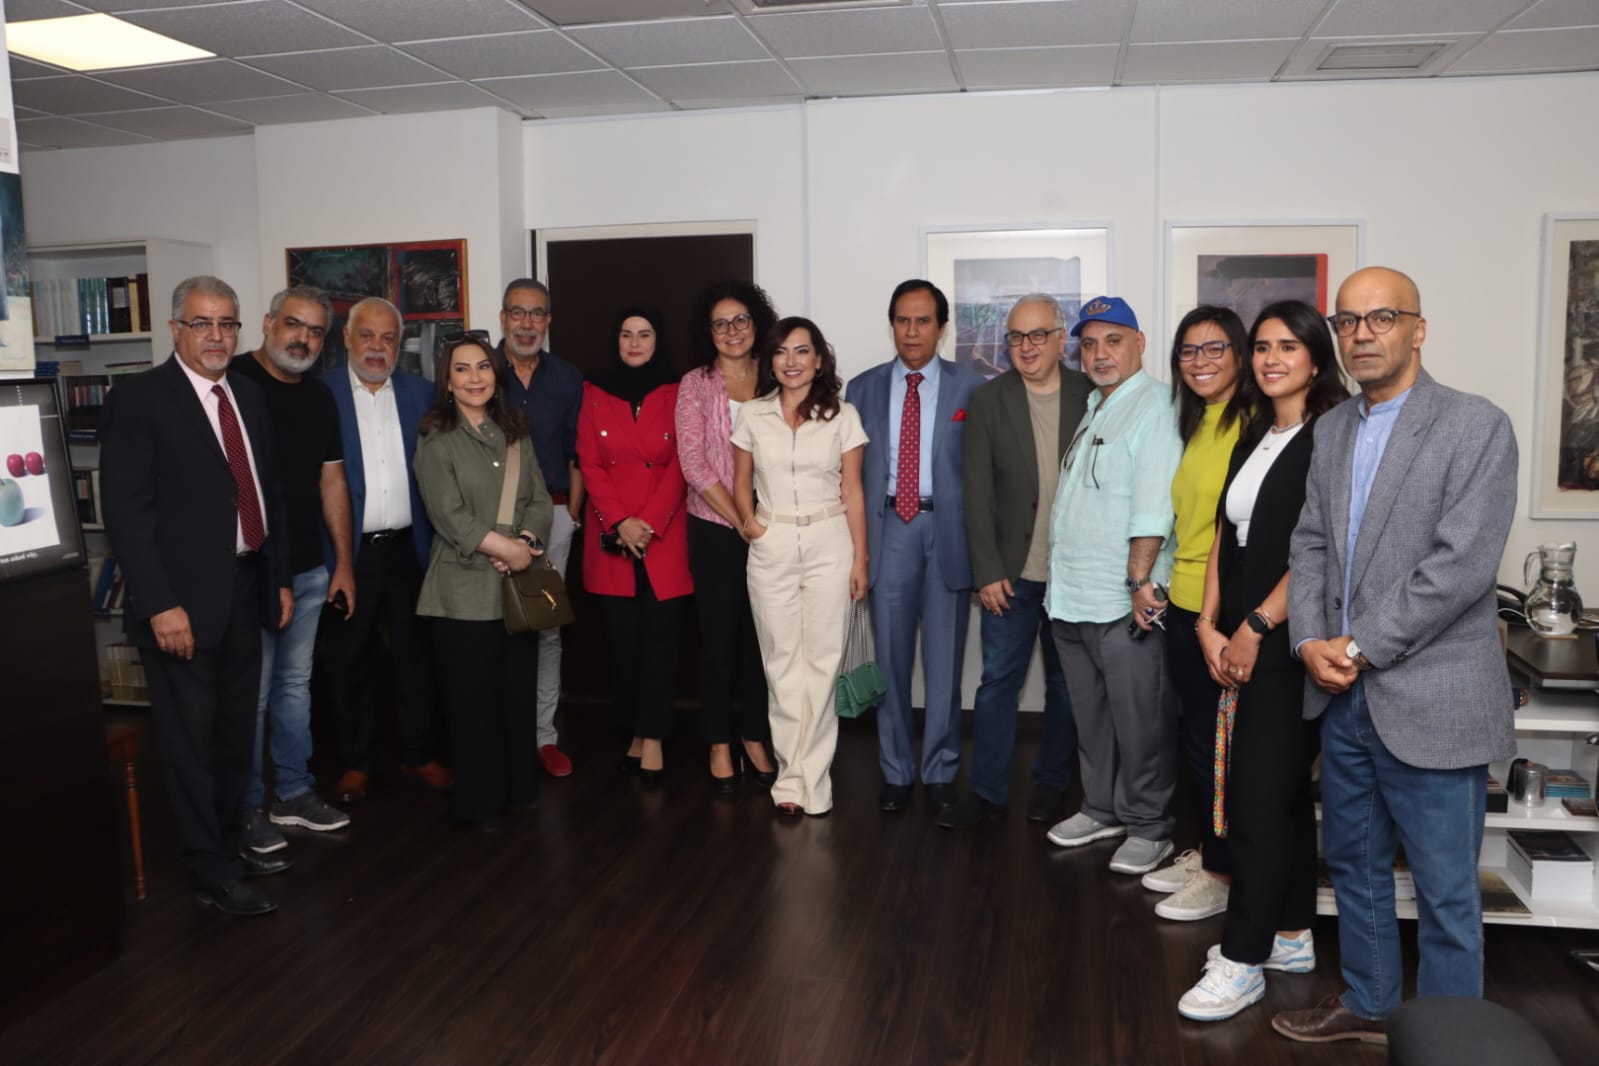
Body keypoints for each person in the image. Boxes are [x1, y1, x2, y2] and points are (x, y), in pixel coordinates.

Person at [1273, 268, 1519, 1045]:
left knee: (1445, 892)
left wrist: (1355, 645)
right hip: (1341, 695)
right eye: (1346, 321)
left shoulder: (1475, 425)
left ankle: (1449, 1042)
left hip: (1431, 696)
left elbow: (1460, 567)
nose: (1360, 334)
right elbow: (1309, 545)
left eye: (1380, 317)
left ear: (1418, 328)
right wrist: (1308, 641)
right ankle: (1370, 1004)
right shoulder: (1331, 430)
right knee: (1353, 865)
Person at [100, 275, 293, 916]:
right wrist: (159, 603)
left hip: (245, 587)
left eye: (227, 324)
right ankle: (210, 870)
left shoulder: (248, 395)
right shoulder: (139, 399)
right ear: (175, 329)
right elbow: (126, 513)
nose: (216, 336)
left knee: (237, 734)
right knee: (191, 743)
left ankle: (230, 843)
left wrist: (279, 578)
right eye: (202, 323)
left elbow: (268, 493)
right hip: (179, 604)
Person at [1177, 300, 1349, 1021]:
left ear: (1316, 357)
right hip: (1238, 632)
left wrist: (1254, 626)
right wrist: (1207, 624)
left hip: (1288, 640)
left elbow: (1319, 550)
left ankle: (1242, 959)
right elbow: (1227, 534)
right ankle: (1291, 934)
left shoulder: (1330, 436)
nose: (1271, 359)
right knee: (1276, 797)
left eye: (1288, 346)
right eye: (1262, 347)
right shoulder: (1257, 431)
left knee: (1253, 800)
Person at [1044, 296, 1184, 876]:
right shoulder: (1097, 405)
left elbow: (1153, 505)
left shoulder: (1157, 406)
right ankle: (1102, 807)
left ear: (1140, 344)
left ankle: (1149, 826)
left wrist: (1139, 582)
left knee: (1140, 720)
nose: (1100, 354)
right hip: (1072, 597)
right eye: (1090, 344)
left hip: (1124, 602)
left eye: (1114, 341)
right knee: (1093, 719)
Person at [938, 294, 1090, 830]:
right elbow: (976, 493)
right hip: (1011, 574)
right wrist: (986, 570)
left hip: (1074, 575)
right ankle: (987, 792)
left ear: (1060, 339)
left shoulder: (1092, 394)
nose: (1026, 347)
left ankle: (1052, 784)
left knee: (1066, 687)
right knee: (997, 684)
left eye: (1037, 335)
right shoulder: (988, 400)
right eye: (1016, 337)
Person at [846, 279, 983, 814]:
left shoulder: (971, 387)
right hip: (888, 532)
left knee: (945, 664)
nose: (912, 331)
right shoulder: (862, 388)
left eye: (923, 321)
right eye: (903, 320)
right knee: (891, 661)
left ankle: (941, 770)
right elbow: (848, 476)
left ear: (941, 328)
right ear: (892, 325)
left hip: (948, 531)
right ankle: (897, 771)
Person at [232, 285, 356, 855]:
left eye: (314, 331)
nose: (302, 338)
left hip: (309, 569)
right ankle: (246, 808)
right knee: (252, 694)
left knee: (294, 687)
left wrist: (343, 564)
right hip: (251, 571)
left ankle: (293, 793)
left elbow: (332, 481)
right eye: (293, 324)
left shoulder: (319, 397)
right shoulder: (232, 384)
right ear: (267, 323)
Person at [414, 333, 553, 831]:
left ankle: (519, 790)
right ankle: (480, 803)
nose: (475, 378)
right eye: (462, 369)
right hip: (462, 592)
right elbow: (448, 516)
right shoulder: (436, 437)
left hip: (517, 590)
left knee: (516, 696)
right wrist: (506, 549)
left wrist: (527, 542)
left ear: (496, 375)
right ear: (447, 383)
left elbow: (539, 499)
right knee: (473, 705)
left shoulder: (514, 431)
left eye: (483, 367)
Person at [733, 316, 869, 816]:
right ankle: (790, 779)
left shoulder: (843, 416)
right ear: (770, 361)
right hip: (771, 544)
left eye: (802, 351)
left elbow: (853, 490)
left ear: (819, 359)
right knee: (781, 664)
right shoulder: (752, 414)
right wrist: (750, 524)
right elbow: (740, 480)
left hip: (829, 541)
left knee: (822, 664)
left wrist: (861, 558)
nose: (791, 361)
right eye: (781, 351)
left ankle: (816, 778)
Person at [1144, 306, 1250, 920]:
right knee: (1198, 745)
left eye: (1214, 349)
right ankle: (1212, 852)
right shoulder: (1197, 421)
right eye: (1188, 351)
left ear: (1240, 354)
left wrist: (1224, 623)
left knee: (1221, 753)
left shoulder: (1254, 425)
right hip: (1184, 606)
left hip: (1226, 615)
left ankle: (1224, 874)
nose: (1200, 361)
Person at [322, 297, 450, 802]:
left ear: (400, 344)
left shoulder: (422, 393)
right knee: (350, 658)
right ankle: (358, 762)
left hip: (410, 548)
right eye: (367, 335)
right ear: (347, 338)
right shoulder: (322, 393)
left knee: (417, 656)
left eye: (388, 338)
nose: (377, 347)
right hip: (350, 554)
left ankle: (418, 753)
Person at [577, 305, 691, 782]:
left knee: (661, 642)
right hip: (612, 531)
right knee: (623, 643)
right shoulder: (594, 390)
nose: (635, 343)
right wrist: (621, 521)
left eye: (644, 334)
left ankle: (654, 736)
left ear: (657, 340)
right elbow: (589, 461)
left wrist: (649, 522)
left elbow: (684, 460)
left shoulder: (679, 390)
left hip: (665, 532)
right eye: (627, 334)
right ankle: (636, 730)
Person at [676, 280, 779, 791]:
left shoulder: (776, 374)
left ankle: (755, 734)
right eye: (720, 323)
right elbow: (693, 463)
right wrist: (742, 520)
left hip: (775, 528)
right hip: (716, 529)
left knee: (764, 640)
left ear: (756, 323)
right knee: (718, 639)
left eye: (740, 320)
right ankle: (718, 740)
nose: (732, 330)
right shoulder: (696, 384)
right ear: (708, 332)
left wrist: (762, 522)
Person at [497, 278, 584, 778]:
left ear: (548, 322)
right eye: (518, 313)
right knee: (495, 626)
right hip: (493, 523)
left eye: (536, 314)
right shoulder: (480, 370)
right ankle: (502, 738)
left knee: (545, 627)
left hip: (552, 517)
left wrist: (572, 513)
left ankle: (542, 737)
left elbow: (578, 453)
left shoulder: (567, 378)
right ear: (503, 317)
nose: (526, 324)